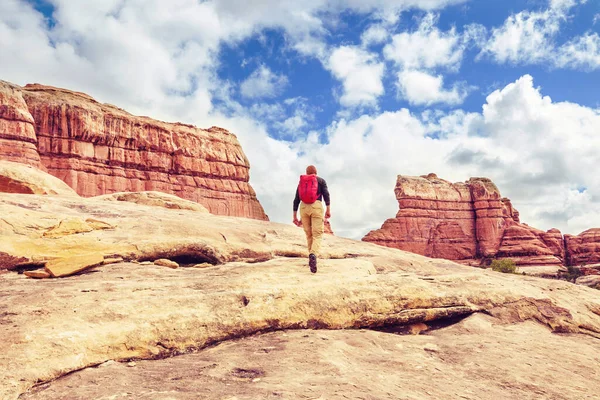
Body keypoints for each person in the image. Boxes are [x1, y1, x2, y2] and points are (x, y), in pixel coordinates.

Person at [293, 165, 331, 273]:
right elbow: (326, 195)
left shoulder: (302, 182)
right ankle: (313, 254)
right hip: (316, 206)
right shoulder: (321, 181)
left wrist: (294, 216)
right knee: (317, 234)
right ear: (316, 173)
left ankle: (311, 258)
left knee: (308, 234)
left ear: (306, 172)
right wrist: (328, 209)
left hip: (303, 207)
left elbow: (296, 199)